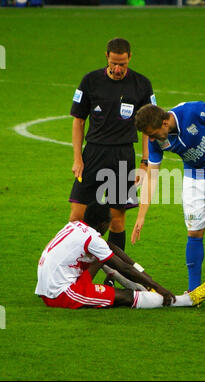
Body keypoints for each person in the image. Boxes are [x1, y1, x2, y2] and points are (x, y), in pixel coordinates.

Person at [131, 102, 205, 307]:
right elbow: (152, 177)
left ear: (165, 123)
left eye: (155, 134)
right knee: (194, 232)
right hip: (194, 177)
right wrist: (141, 216)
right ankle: (194, 293)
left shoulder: (194, 111)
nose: (154, 140)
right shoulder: (155, 140)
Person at [35, 201, 205, 310]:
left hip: (48, 286)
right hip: (61, 293)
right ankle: (185, 300)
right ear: (103, 223)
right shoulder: (91, 238)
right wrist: (158, 287)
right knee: (126, 297)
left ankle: (147, 291)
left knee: (104, 255)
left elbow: (116, 252)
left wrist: (144, 275)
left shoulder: (75, 226)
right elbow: (124, 267)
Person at [69, 38, 156, 256]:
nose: (118, 69)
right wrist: (78, 158)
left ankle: (112, 277)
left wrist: (145, 161)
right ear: (106, 57)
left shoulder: (141, 84)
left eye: (123, 64)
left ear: (129, 59)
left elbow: (148, 127)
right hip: (93, 154)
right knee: (77, 216)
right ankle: (74, 270)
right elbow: (78, 121)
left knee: (117, 219)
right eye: (114, 63)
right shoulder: (90, 81)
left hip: (123, 156)